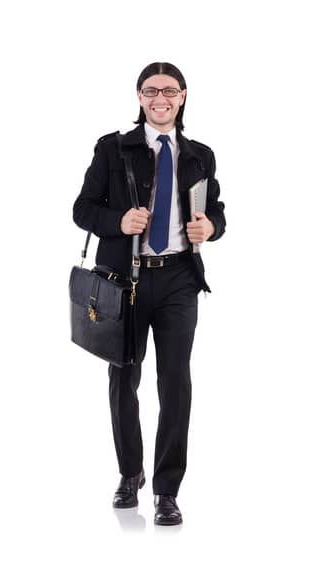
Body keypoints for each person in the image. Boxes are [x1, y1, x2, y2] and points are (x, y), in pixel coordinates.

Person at [72, 62, 224, 526]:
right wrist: (118, 222)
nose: (161, 98)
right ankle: (129, 471)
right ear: (139, 96)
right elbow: (82, 210)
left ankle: (166, 489)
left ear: (183, 96)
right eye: (151, 90)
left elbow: (216, 209)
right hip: (126, 279)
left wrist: (211, 226)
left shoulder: (200, 155)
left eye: (170, 91)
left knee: (175, 381)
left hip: (179, 277)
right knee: (124, 379)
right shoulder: (113, 149)